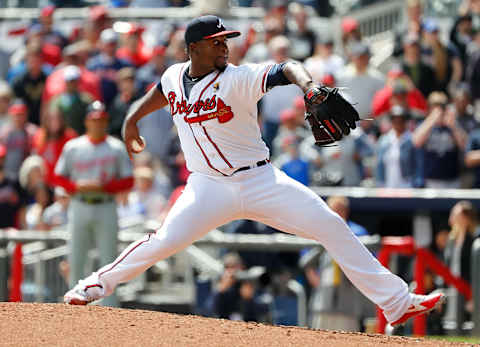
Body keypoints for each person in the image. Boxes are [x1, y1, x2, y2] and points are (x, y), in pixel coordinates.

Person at [64, 15, 444, 327]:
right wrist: (132, 118)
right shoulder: (173, 75)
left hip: (261, 180)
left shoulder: (238, 77)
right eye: (217, 42)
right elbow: (161, 94)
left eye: (226, 40)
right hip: (206, 188)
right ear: (194, 48)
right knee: (163, 240)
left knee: (330, 225)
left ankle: (395, 302)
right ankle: (94, 284)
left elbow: (287, 68)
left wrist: (309, 88)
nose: (225, 46)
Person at [54, 101, 134, 307]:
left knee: (109, 259)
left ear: (106, 122)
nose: (98, 124)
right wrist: (76, 186)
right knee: (76, 257)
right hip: (79, 204)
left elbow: (129, 180)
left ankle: (111, 306)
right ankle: (73, 301)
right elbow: (58, 177)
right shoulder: (74, 146)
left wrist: (104, 186)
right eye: (94, 120)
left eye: (101, 120)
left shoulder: (115, 147)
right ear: (87, 121)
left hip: (106, 204)